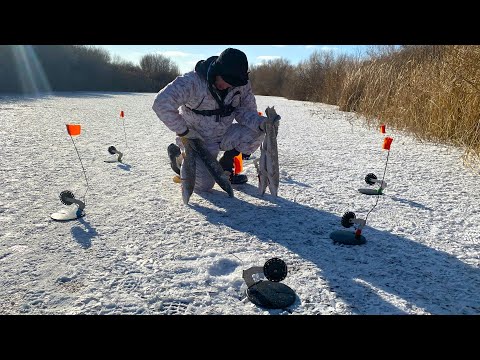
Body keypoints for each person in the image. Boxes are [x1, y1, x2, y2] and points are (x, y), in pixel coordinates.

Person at [152, 47, 279, 192]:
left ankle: (227, 166)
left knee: (257, 131)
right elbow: (161, 103)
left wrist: (263, 123)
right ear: (217, 71)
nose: (229, 86)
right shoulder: (192, 82)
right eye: (226, 81)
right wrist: (184, 131)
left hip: (223, 135)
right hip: (196, 141)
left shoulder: (241, 85)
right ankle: (178, 159)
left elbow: (245, 112)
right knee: (203, 186)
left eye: (233, 84)